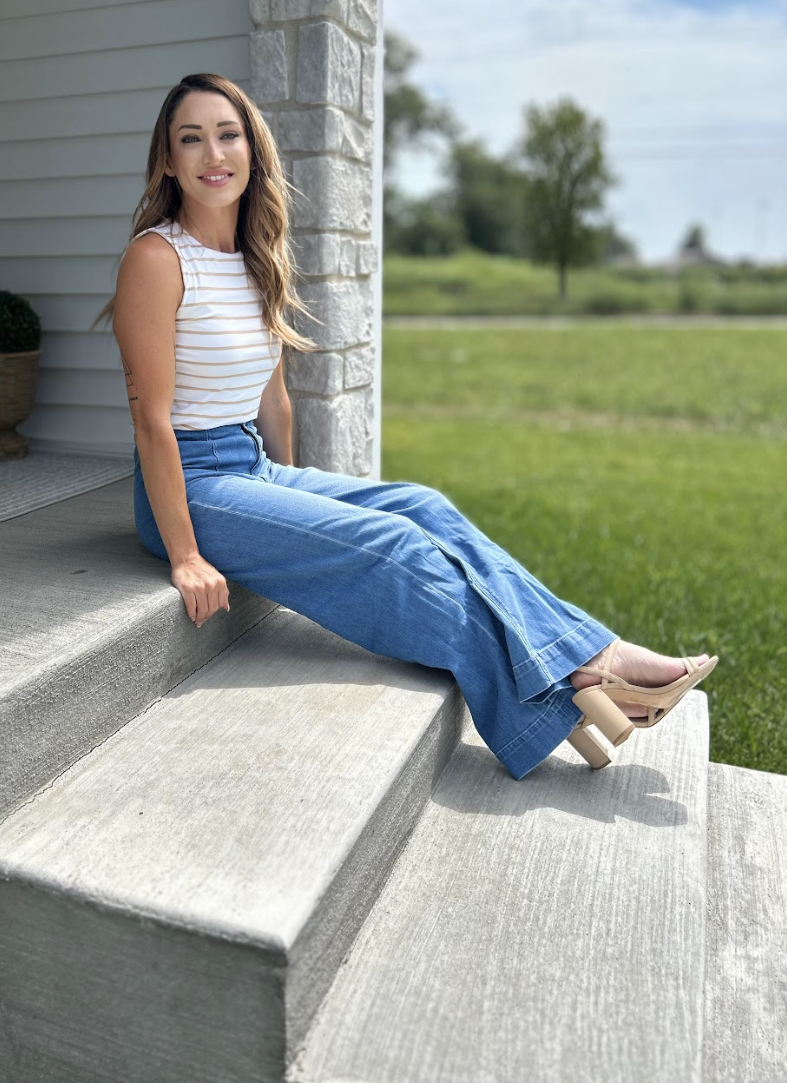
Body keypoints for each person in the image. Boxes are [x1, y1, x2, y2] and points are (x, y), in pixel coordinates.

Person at [102, 73, 717, 780]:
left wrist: (292, 505)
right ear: (169, 162)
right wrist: (184, 554)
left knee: (425, 506)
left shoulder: (255, 258)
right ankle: (583, 675)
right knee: (395, 545)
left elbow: (273, 399)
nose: (213, 152)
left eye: (228, 133)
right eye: (191, 138)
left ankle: (586, 662)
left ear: (251, 149)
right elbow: (150, 420)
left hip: (250, 471)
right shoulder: (156, 259)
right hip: (187, 483)